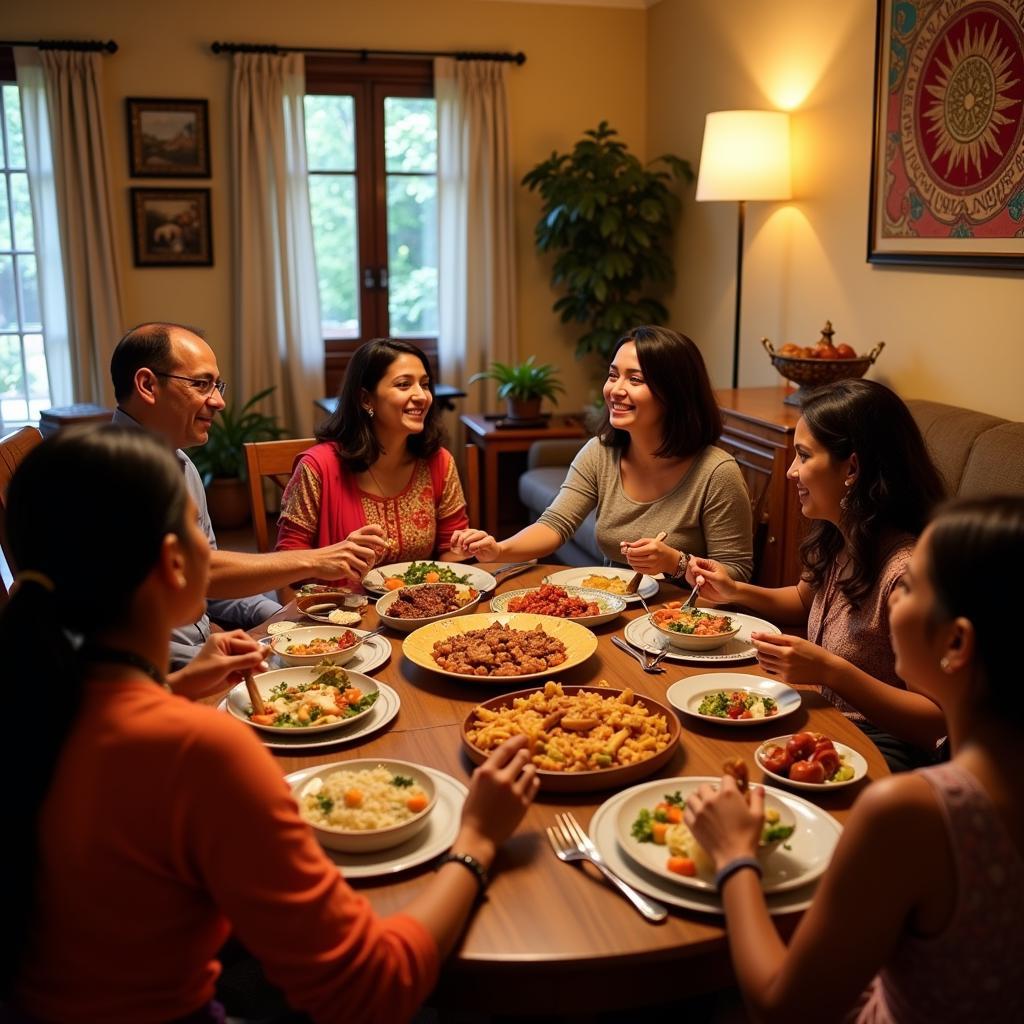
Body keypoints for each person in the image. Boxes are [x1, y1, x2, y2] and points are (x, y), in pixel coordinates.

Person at [1, 425, 539, 1024]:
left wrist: (175, 688)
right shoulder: (199, 748)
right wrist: (479, 840)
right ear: (176, 564)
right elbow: (370, 988)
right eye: (198, 534)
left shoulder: (37, 700)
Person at [684, 495, 1024, 1023]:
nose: (892, 599)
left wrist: (734, 856)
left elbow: (780, 1007)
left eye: (909, 587)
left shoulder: (913, 813)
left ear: (956, 643)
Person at [687, 378, 947, 771]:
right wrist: (734, 590)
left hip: (879, 747)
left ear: (852, 468)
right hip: (825, 717)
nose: (791, 472)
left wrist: (829, 669)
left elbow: (933, 722)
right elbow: (805, 600)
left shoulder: (906, 573)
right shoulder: (840, 533)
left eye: (804, 457)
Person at [111, 322, 387, 667]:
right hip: (158, 671)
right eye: (201, 384)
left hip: (204, 645)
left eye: (217, 384)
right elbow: (200, 574)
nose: (219, 401)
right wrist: (316, 560)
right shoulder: (112, 476)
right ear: (148, 385)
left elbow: (207, 589)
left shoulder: (180, 462)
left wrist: (281, 618)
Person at [452, 326, 753, 582]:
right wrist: (499, 550)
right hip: (618, 605)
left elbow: (737, 573)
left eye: (635, 380)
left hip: (687, 620)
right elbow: (555, 524)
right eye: (613, 375)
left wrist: (677, 564)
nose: (616, 390)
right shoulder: (601, 452)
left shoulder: (716, 472)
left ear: (675, 394)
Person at [275, 338, 469, 588]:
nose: (422, 396)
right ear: (366, 399)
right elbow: (287, 563)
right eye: (403, 385)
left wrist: (465, 548)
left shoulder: (438, 462)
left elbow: (449, 554)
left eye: (425, 384)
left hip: (421, 614)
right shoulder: (318, 468)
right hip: (340, 616)